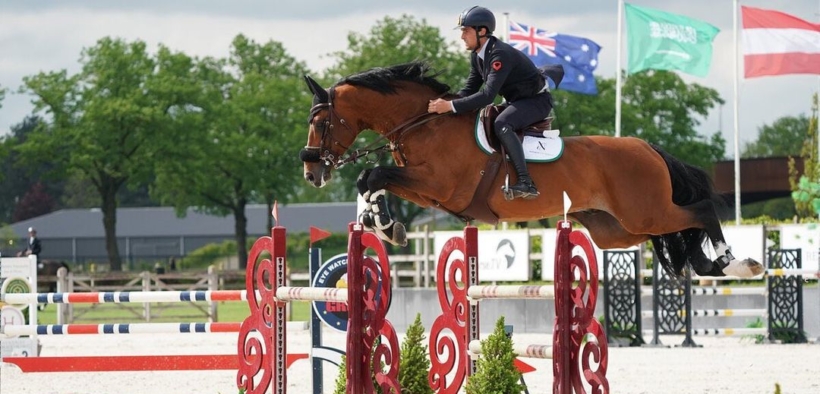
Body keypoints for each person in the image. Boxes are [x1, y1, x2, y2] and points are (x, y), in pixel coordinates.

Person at [428, 5, 553, 200]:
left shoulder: (498, 54)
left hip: (536, 101)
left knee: (502, 123)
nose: (462, 36)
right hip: (518, 100)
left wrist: (450, 106)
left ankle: (526, 182)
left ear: (482, 31)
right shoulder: (477, 56)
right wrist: (445, 105)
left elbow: (487, 96)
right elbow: (469, 89)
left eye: (466, 31)